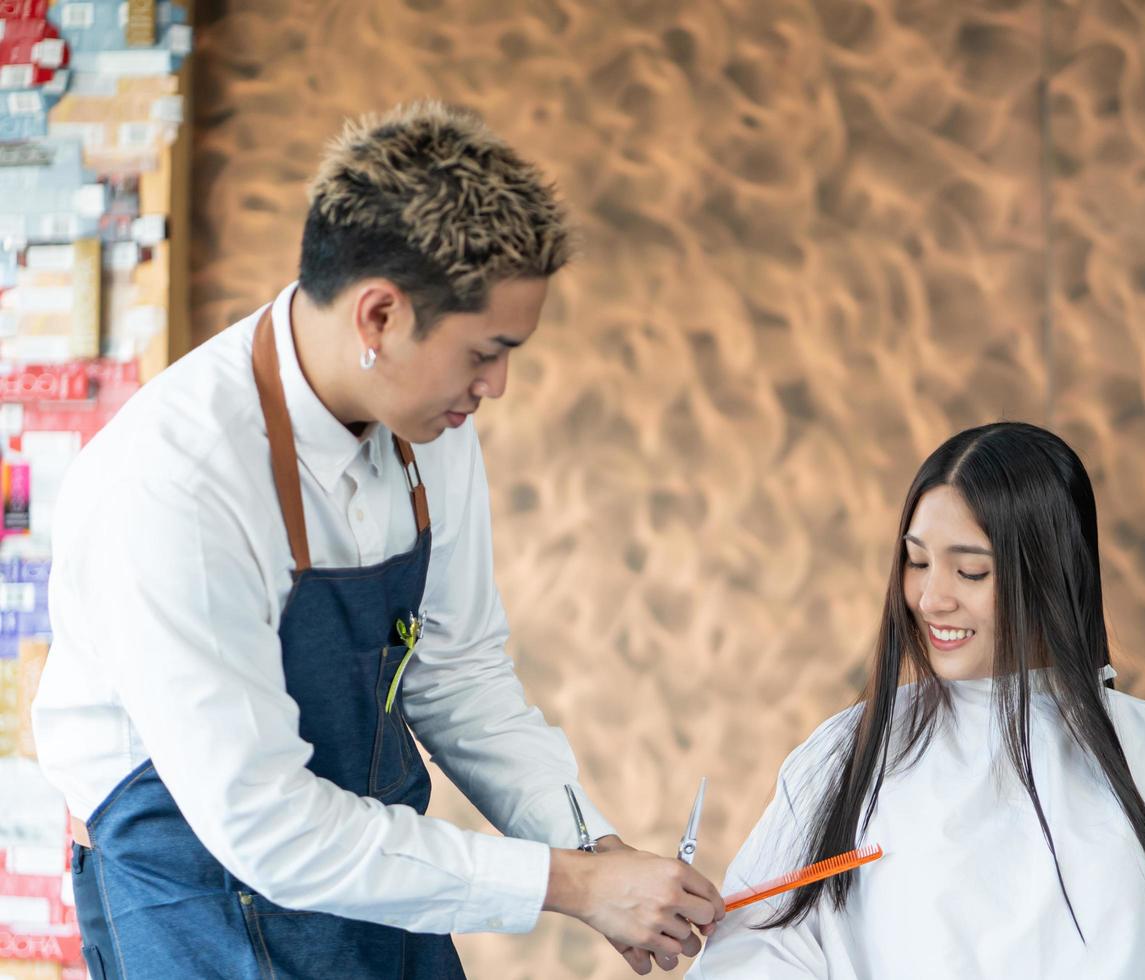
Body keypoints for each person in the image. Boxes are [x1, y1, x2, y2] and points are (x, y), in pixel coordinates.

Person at [32, 100, 721, 979]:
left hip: (378, 867)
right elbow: (267, 826)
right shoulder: (177, 484)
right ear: (380, 317)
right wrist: (573, 887)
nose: (497, 385)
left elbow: (458, 670)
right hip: (201, 894)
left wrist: (594, 851)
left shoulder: (431, 427)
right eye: (485, 352)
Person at [690, 422, 1145, 978]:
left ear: (1049, 571)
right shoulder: (848, 752)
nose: (931, 597)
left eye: (970, 570)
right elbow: (753, 952)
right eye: (917, 562)